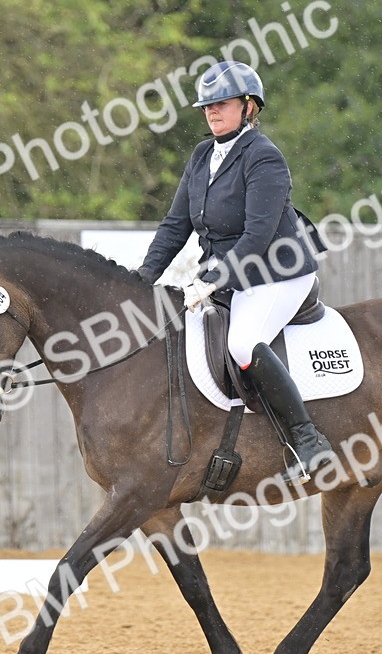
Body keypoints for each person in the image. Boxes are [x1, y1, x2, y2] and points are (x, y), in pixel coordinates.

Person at [137, 60, 334, 476]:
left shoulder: (264, 158)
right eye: (206, 106)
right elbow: (176, 226)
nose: (211, 112)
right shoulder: (202, 154)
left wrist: (212, 278)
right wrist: (139, 279)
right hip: (229, 275)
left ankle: (309, 441)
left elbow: (258, 236)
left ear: (249, 107)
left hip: (277, 273)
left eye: (221, 104)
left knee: (243, 343)